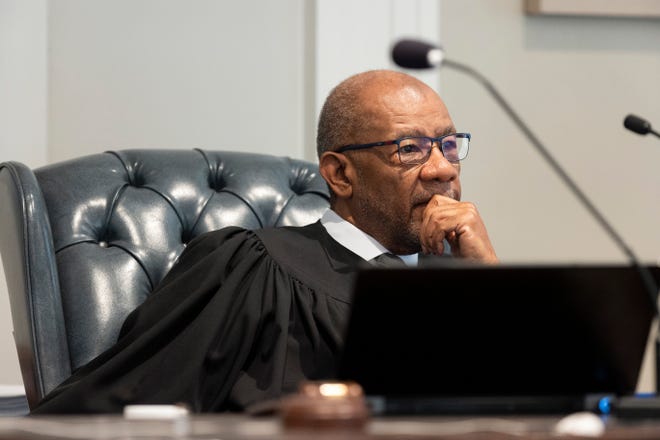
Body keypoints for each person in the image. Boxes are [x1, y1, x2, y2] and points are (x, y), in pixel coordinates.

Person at [31, 69, 498, 414]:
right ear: (340, 174)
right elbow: (112, 406)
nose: (443, 168)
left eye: (449, 144)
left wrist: (487, 281)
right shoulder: (252, 266)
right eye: (410, 149)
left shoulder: (457, 283)